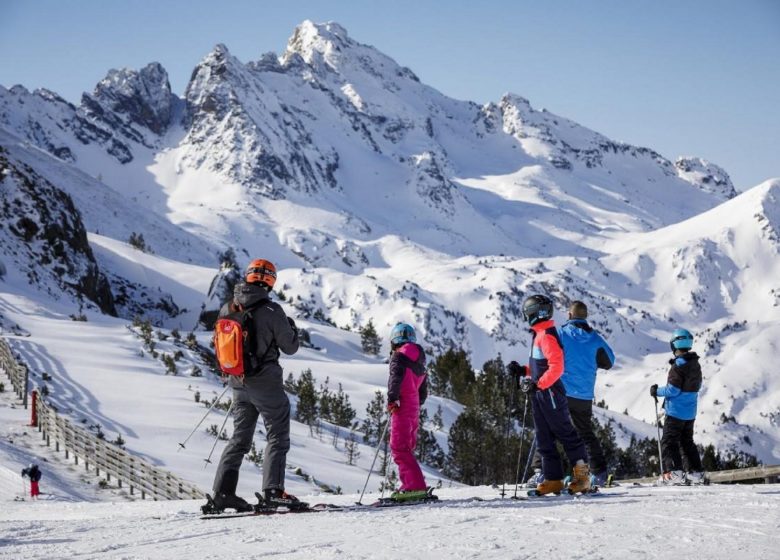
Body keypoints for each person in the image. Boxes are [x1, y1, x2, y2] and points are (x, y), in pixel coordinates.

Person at [210, 259, 301, 512]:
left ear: (248, 277)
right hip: (266, 382)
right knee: (278, 435)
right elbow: (290, 347)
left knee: (239, 438)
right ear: (270, 281)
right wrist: (292, 328)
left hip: (237, 381)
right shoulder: (272, 311)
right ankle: (273, 491)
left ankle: (223, 493)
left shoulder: (228, 307)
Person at [523, 301, 615, 487]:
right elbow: (609, 361)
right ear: (585, 316)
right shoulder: (595, 339)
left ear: (570, 315)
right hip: (584, 394)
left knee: (548, 431)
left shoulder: (561, 334)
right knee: (585, 434)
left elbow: (550, 359)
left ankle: (542, 473)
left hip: (561, 391)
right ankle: (598, 474)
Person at [510, 294, 591, 495]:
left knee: (565, 433)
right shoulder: (539, 334)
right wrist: (524, 371)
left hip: (551, 393)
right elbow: (541, 366)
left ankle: (582, 478)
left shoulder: (546, 335)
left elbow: (557, 367)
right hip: (540, 393)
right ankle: (553, 479)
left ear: (535, 313)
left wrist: (539, 385)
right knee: (543, 437)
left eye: (527, 312)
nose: (525, 316)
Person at [651, 328, 705, 485]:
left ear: (674, 345)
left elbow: (673, 390)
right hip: (690, 412)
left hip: (675, 412)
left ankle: (674, 474)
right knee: (687, 442)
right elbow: (698, 385)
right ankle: (696, 473)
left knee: (669, 442)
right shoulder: (695, 364)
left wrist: (657, 391)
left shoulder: (678, 366)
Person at [386, 322, 432, 502]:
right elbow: (423, 392)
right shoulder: (419, 360)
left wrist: (392, 398)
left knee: (399, 447)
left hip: (402, 405)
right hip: (413, 408)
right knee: (406, 447)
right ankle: (410, 484)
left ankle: (414, 487)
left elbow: (395, 378)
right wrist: (416, 403)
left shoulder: (398, 358)